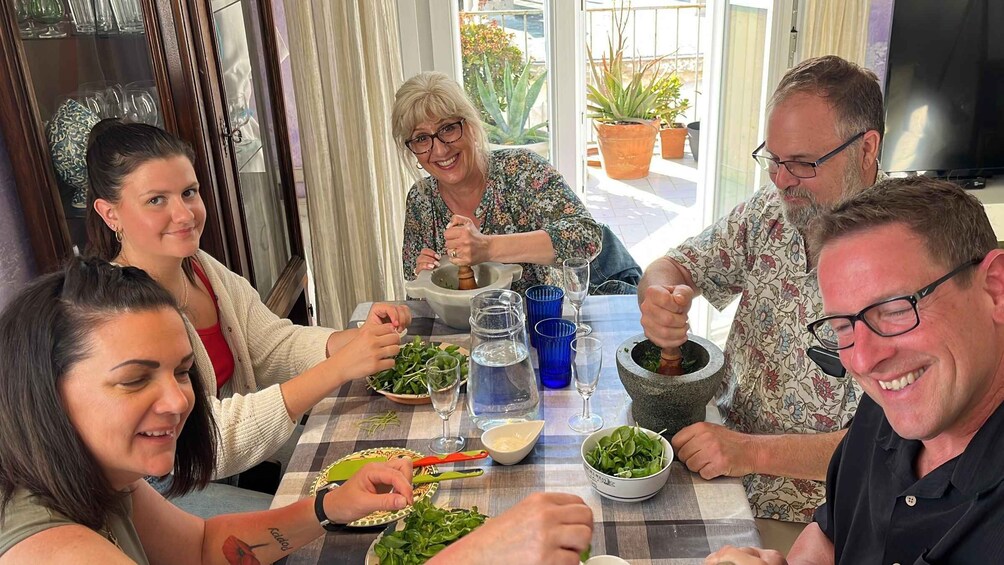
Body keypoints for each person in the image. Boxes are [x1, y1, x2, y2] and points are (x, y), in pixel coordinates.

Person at [0, 258, 595, 564]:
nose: (180, 399)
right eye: (134, 380)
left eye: (183, 370)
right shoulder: (48, 551)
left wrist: (330, 507)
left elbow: (207, 550)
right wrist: (472, 554)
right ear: (43, 394)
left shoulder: (106, 479)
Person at [84, 120, 410, 501]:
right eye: (157, 200)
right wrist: (338, 367)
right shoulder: (121, 312)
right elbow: (208, 442)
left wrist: (351, 340)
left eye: (189, 192)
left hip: (241, 462)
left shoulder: (201, 267)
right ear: (110, 214)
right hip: (170, 488)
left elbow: (271, 344)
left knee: (367, 454)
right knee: (323, 528)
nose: (185, 214)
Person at [637, 55, 884, 550]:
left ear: (866, 149)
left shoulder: (903, 259)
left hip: (814, 512)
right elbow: (676, 264)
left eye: (802, 163)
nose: (780, 179)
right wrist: (659, 297)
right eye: (773, 158)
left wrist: (748, 452)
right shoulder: (769, 213)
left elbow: (888, 446)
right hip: (717, 452)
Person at [705, 177, 1004, 564]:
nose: (862, 361)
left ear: (995, 289)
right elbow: (832, 532)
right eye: (843, 326)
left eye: (897, 309)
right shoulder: (888, 407)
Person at [391, 71, 602, 293]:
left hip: (542, 324)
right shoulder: (420, 199)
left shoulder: (521, 169)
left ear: (470, 126)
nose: (441, 150)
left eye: (448, 128)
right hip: (460, 326)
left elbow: (587, 237)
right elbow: (414, 297)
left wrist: (487, 247)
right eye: (422, 139)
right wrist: (423, 278)